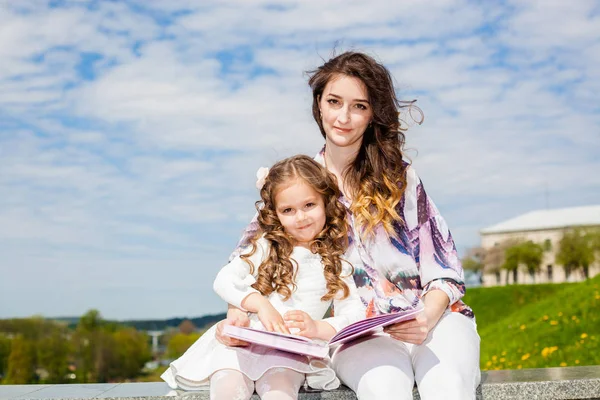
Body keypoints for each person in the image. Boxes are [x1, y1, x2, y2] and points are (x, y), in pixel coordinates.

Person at [217, 51, 481, 400]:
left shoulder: (401, 179)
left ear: (373, 115)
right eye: (334, 102)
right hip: (355, 332)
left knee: (447, 387)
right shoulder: (295, 186)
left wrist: (427, 318)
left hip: (434, 319)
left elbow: (445, 270)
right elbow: (249, 266)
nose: (344, 117)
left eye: (359, 106)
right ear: (319, 106)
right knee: (384, 390)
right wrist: (239, 313)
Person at [161, 155, 366, 400]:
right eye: (288, 210)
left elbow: (355, 314)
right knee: (228, 389)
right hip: (240, 346)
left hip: (288, 354)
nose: (300, 217)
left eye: (309, 205)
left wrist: (318, 327)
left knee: (280, 391)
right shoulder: (264, 247)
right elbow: (224, 279)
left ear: (326, 202)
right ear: (275, 214)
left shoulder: (337, 260)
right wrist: (259, 304)